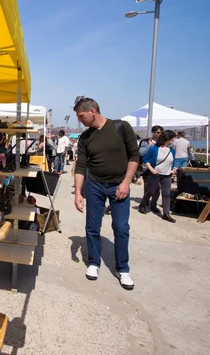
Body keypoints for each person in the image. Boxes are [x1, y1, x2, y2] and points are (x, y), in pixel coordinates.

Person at [73, 98, 139, 290]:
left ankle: (123, 269)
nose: (80, 120)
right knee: (92, 227)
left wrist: (126, 182)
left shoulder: (121, 127)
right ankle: (94, 263)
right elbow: (80, 166)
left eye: (81, 116)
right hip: (94, 185)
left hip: (119, 184)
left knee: (121, 228)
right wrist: (78, 192)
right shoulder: (85, 138)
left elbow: (134, 156)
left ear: (92, 111)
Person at [139, 130, 177, 223]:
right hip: (155, 173)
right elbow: (145, 159)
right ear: (167, 138)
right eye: (172, 138)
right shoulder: (155, 148)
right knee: (151, 191)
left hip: (167, 174)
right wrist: (152, 170)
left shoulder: (172, 150)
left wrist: (174, 169)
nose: (173, 140)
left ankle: (166, 213)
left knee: (166, 193)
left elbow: (173, 161)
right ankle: (143, 204)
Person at [138, 125, 163, 212]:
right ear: (153, 132)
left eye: (161, 133)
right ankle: (144, 203)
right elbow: (141, 153)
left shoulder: (162, 143)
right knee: (148, 187)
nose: (159, 134)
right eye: (158, 132)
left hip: (159, 167)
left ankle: (153, 204)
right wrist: (149, 146)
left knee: (157, 188)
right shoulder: (145, 142)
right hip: (147, 167)